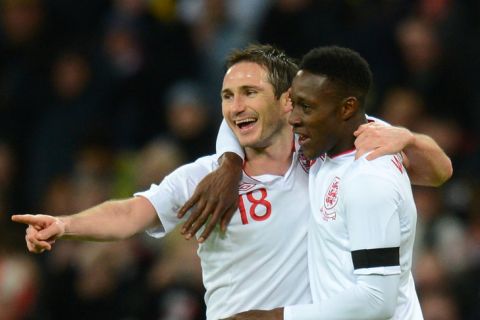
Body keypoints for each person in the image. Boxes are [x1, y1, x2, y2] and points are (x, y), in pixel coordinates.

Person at [12, 45, 451, 319]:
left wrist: (409, 136)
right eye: (226, 95)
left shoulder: (321, 152)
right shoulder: (204, 176)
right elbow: (130, 212)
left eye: (248, 93)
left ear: (287, 102)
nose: (235, 105)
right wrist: (66, 225)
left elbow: (437, 172)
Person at [225, 46, 428, 319]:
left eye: (306, 107)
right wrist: (229, 163)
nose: (294, 119)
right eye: (294, 103)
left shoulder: (368, 180)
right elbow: (239, 118)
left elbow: (377, 300)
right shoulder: (331, 141)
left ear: (347, 108)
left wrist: (274, 317)